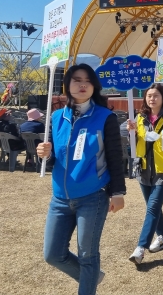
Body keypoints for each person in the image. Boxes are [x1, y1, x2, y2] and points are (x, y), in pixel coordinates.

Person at [36, 63, 126, 295]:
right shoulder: (56, 117)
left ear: (94, 86)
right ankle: (92, 276)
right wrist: (44, 154)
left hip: (92, 197)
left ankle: (88, 279)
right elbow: (53, 158)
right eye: (77, 80)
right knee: (52, 254)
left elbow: (115, 157)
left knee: (88, 255)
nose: (82, 85)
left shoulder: (105, 117)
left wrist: (118, 192)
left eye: (88, 80)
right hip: (60, 198)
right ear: (67, 85)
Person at [127, 84, 163, 265]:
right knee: (153, 207)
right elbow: (133, 142)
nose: (152, 99)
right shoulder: (140, 118)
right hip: (143, 169)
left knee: (152, 207)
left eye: (156, 95)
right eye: (149, 95)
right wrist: (131, 132)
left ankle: (140, 248)